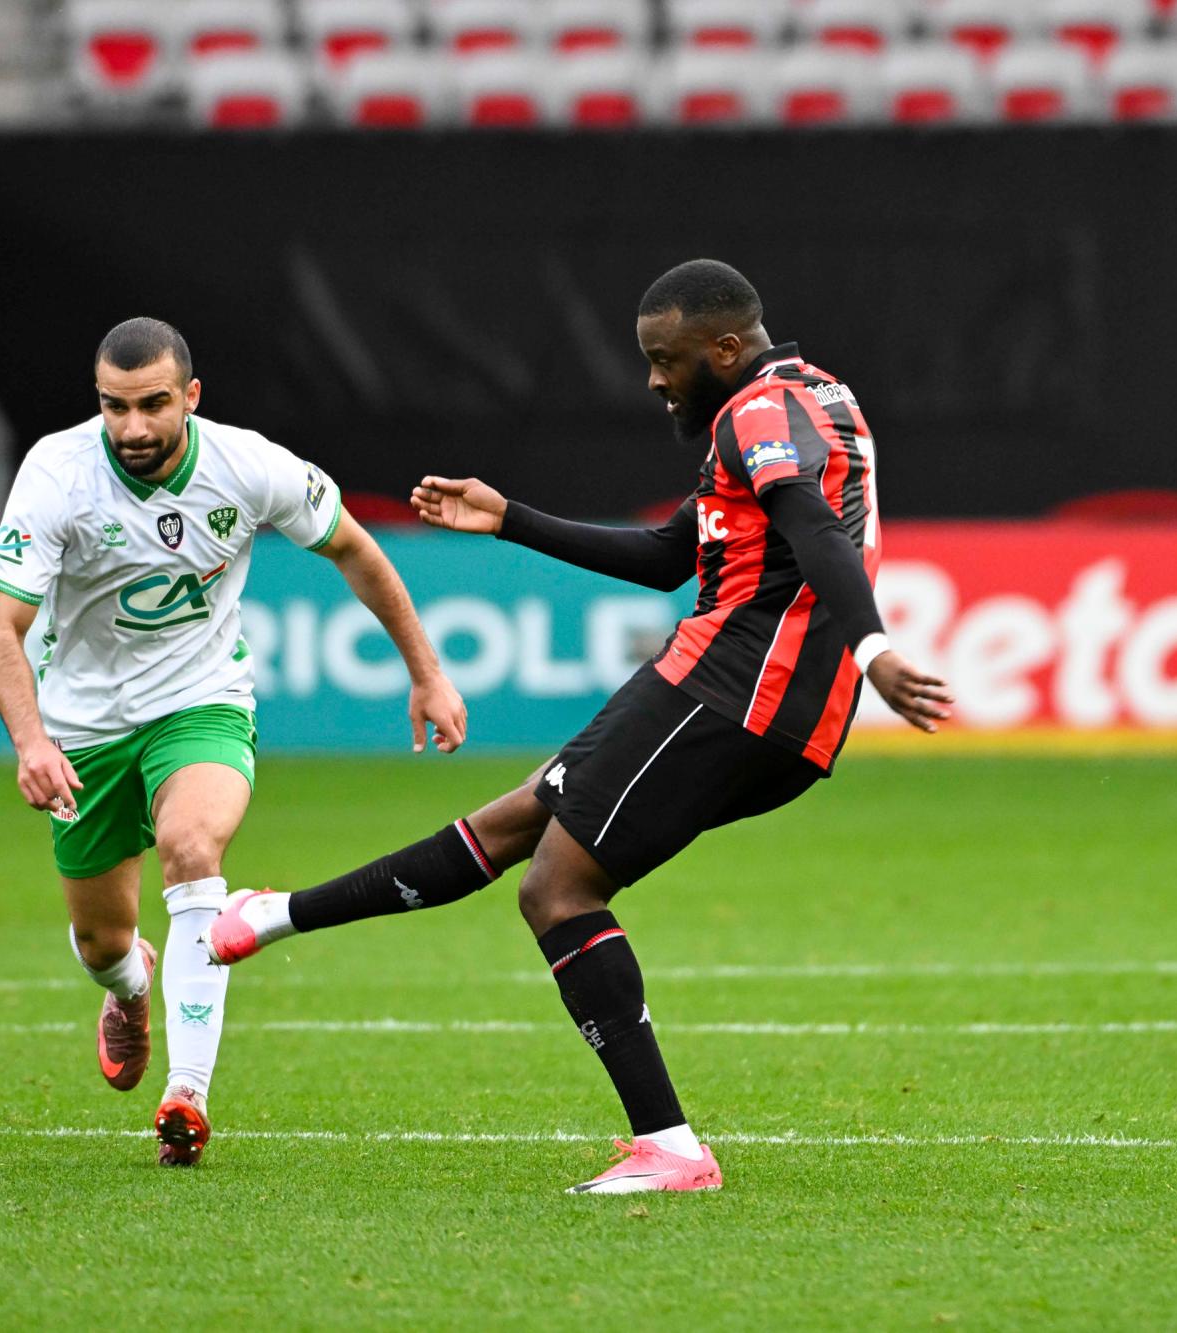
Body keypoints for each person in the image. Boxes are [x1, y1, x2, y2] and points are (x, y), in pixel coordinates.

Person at [204, 260, 954, 1193]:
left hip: (731, 686)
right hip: (773, 706)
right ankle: (266, 917)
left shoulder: (755, 416)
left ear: (725, 348)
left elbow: (813, 529)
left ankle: (669, 1147)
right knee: (522, 820)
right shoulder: (813, 398)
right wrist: (508, 518)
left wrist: (875, 645)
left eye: (665, 359)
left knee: (557, 890)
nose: (653, 380)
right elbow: (669, 554)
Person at [0, 317, 468, 1165]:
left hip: (199, 702)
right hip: (82, 727)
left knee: (193, 843)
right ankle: (130, 989)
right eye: (113, 407)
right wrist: (30, 741)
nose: (131, 427)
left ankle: (186, 1096)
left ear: (191, 397)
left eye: (153, 405)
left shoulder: (250, 465)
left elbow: (354, 549)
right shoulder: (56, 473)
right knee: (100, 942)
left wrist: (427, 671)